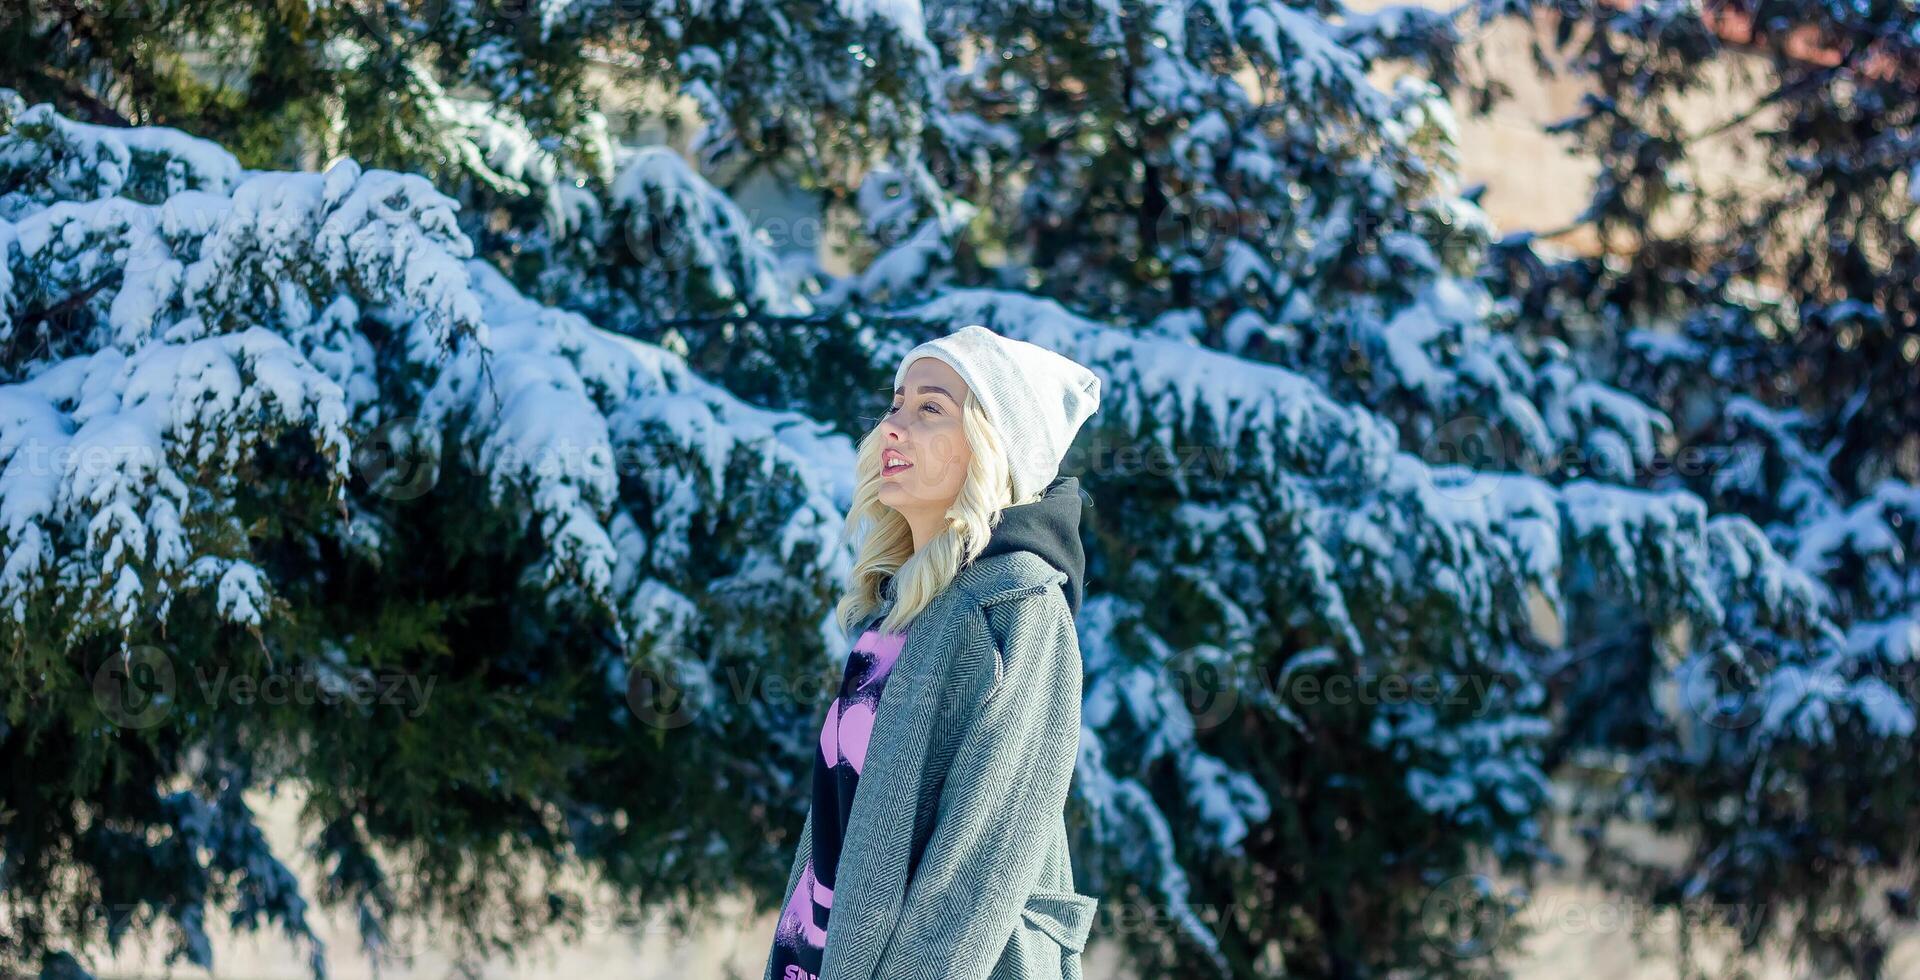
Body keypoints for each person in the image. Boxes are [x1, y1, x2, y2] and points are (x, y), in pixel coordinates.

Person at [764, 325, 1104, 980]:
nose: (893, 426)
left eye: (930, 409)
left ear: (991, 445)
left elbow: (975, 873)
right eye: (896, 403)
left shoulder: (1017, 603)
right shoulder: (897, 610)